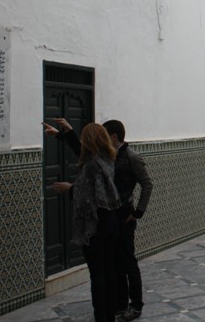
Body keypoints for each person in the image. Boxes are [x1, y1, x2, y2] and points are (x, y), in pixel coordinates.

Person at [44, 122, 121, 322]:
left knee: (98, 275)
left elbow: (87, 198)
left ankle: (102, 317)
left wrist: (69, 188)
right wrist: (65, 134)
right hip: (111, 220)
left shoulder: (91, 166)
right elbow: (84, 153)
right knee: (109, 269)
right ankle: (110, 314)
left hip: (97, 226)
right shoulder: (108, 158)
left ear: (88, 141)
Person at [102, 120, 153, 322]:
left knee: (128, 261)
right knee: (116, 262)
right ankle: (120, 304)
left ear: (114, 136)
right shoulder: (108, 156)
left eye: (106, 136)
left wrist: (138, 212)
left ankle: (136, 305)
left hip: (125, 215)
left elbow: (147, 184)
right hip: (111, 216)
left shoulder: (132, 157)